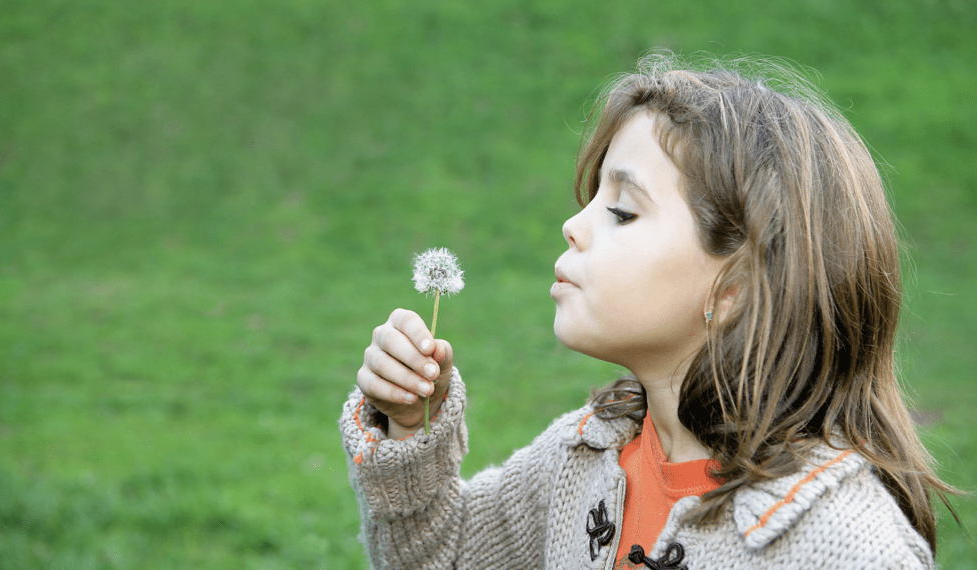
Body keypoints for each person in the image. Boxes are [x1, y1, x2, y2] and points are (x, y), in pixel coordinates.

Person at [338, 53, 955, 569]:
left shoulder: (845, 545)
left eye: (623, 211)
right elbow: (441, 559)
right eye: (592, 197)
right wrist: (410, 429)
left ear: (734, 285)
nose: (572, 225)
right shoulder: (584, 457)